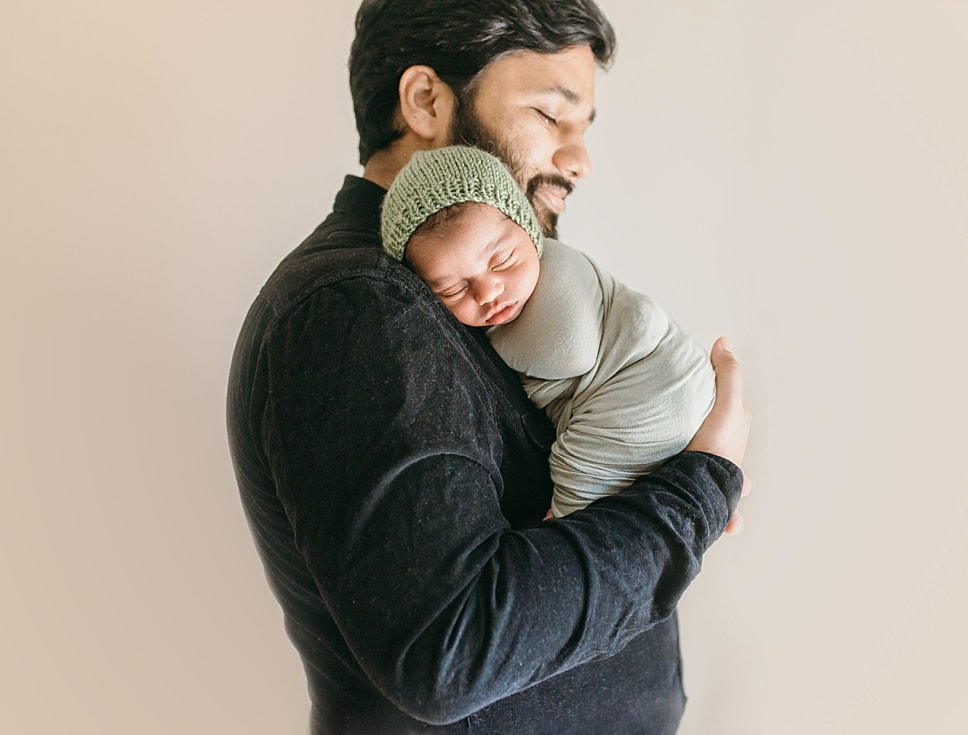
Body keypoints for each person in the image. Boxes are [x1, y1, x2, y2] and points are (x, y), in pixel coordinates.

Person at [226, 1, 752, 733]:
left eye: (584, 129)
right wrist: (697, 495)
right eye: (550, 114)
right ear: (425, 101)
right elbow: (451, 651)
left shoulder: (453, 303)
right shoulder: (360, 308)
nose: (579, 160)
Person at [380, 145, 716, 519]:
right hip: (674, 405)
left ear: (527, 226)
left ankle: (561, 519)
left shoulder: (559, 276)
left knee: (580, 466)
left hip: (650, 390)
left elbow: (570, 351)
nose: (487, 292)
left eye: (502, 260)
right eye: (452, 289)